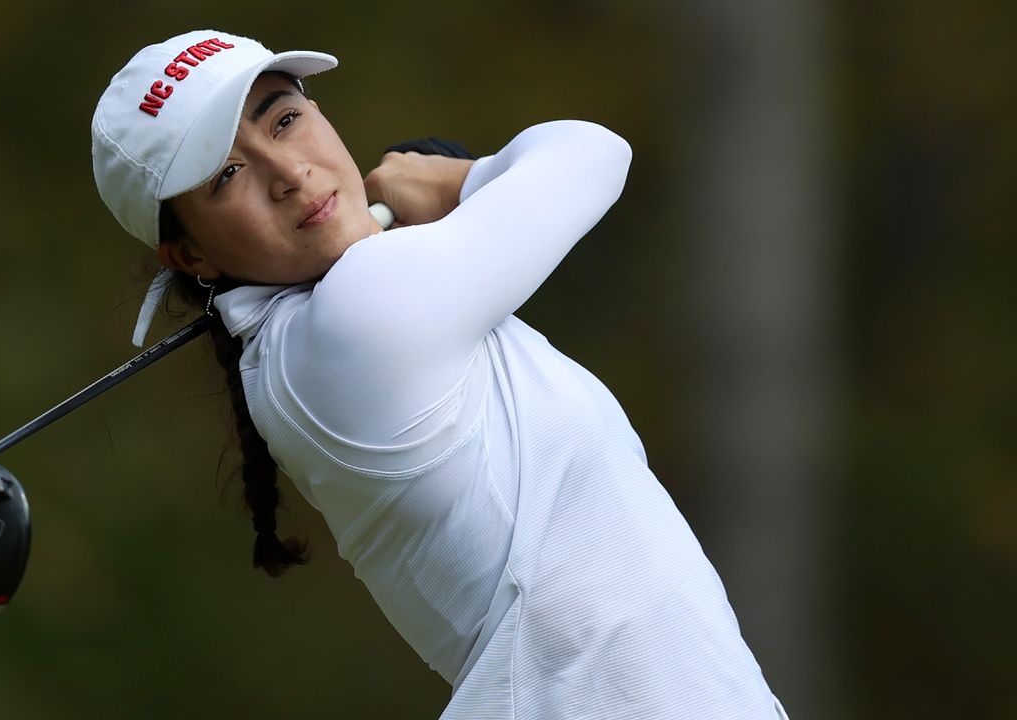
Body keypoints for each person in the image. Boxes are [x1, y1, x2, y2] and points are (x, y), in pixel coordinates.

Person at [91, 29, 788, 719]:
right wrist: (459, 177)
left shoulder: (309, 340)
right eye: (228, 175)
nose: (289, 172)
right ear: (191, 257)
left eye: (285, 119)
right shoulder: (358, 313)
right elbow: (594, 152)